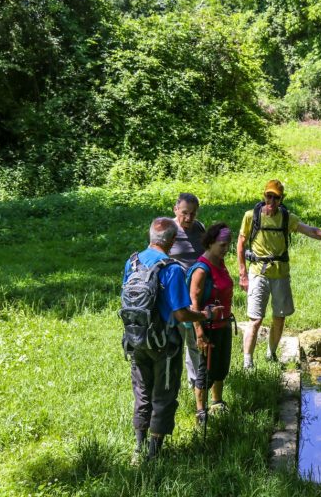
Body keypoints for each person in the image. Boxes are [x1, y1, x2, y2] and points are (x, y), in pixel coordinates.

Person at [123, 217, 215, 461]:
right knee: (163, 394)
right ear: (172, 241)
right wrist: (203, 315)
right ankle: (154, 454)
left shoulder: (132, 263)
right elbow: (181, 313)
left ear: (151, 236)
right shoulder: (172, 269)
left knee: (142, 392)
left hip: (136, 338)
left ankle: (138, 448)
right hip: (164, 343)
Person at [236, 179, 321, 369]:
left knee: (279, 317)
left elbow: (311, 230)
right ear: (264, 196)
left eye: (276, 198)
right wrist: (243, 274)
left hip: (280, 273)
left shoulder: (287, 218)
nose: (271, 201)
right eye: (268, 196)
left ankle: (271, 354)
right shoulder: (251, 216)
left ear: (281, 199)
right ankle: (248, 363)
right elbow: (240, 243)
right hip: (258, 273)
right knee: (255, 320)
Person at [187, 222, 234, 425]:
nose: (226, 249)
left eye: (228, 245)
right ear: (210, 243)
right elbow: (193, 304)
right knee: (205, 371)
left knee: (221, 367)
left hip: (223, 324)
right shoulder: (201, 269)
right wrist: (199, 333)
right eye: (222, 245)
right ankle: (201, 412)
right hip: (208, 328)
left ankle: (217, 402)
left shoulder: (220, 263)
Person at [169, 193, 205, 390]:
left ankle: (195, 383)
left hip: (196, 294)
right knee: (174, 341)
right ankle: (171, 383)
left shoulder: (199, 228)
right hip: (175, 295)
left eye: (193, 213)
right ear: (175, 210)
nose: (189, 217)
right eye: (184, 213)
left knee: (194, 339)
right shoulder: (167, 229)